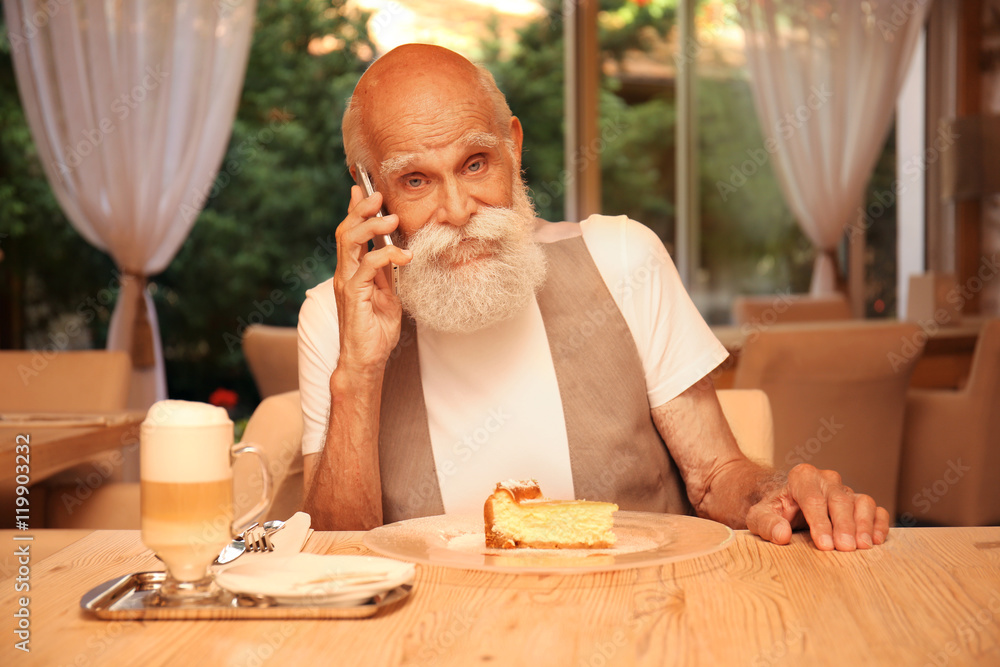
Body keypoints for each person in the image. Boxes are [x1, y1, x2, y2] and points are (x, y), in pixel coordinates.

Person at [298, 43, 890, 551]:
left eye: (475, 163)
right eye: (416, 181)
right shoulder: (333, 318)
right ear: (369, 189)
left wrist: (776, 496)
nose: (457, 211)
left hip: (640, 619)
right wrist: (360, 369)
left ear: (513, 146)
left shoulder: (623, 256)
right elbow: (334, 548)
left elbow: (714, 476)